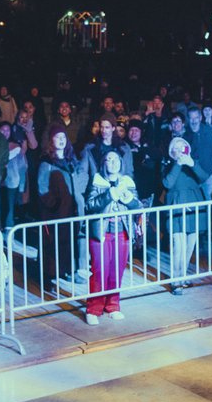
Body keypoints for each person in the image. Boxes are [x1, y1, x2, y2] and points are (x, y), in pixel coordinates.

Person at [83, 150, 142, 324]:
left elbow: (137, 206)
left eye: (116, 159)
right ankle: (93, 308)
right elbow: (90, 205)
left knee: (117, 271)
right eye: (109, 159)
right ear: (104, 164)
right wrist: (110, 194)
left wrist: (129, 199)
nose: (113, 162)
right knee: (100, 270)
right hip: (101, 231)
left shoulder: (127, 182)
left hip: (122, 231)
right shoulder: (97, 181)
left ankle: (113, 305)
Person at [36, 129, 88, 289]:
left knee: (69, 242)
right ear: (51, 141)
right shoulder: (46, 163)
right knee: (52, 244)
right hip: (55, 213)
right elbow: (42, 187)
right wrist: (54, 205)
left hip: (71, 210)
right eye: (57, 137)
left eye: (63, 137)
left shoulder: (71, 161)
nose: (61, 140)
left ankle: (69, 271)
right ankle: (48, 276)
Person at [161, 135, 208, 295]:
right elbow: (168, 183)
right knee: (177, 246)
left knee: (189, 246)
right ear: (171, 151)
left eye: (183, 147)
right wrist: (178, 164)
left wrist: (192, 164)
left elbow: (203, 178)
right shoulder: (168, 165)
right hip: (176, 208)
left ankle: (183, 275)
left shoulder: (193, 163)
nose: (180, 150)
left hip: (194, 207)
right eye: (177, 147)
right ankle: (176, 280)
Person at [184, 106, 212, 199]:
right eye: (191, 118)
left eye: (196, 117)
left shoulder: (207, 131)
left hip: (208, 174)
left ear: (200, 118)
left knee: (208, 200)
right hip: (193, 176)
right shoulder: (186, 134)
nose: (194, 121)